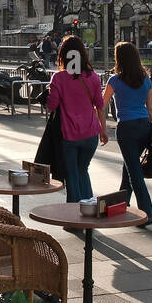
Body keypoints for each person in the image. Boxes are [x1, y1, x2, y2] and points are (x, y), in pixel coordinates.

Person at [101, 42, 152, 227]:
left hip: (126, 127)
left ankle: (147, 213)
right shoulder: (146, 79)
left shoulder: (115, 80)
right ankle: (120, 204)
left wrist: (102, 127)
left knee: (134, 172)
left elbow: (102, 104)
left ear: (119, 58)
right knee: (129, 166)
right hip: (144, 126)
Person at [46, 35, 106, 203]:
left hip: (69, 134)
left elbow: (51, 105)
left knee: (72, 174)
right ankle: (89, 209)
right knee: (82, 170)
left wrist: (49, 93)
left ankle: (74, 215)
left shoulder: (59, 78)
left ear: (63, 55)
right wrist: (104, 131)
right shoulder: (93, 77)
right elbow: (100, 106)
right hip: (91, 134)